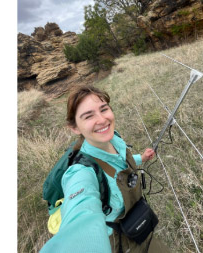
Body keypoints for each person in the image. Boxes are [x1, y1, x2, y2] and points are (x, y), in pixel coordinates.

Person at [42, 86, 168, 252]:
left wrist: (141, 158)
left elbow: (120, 161)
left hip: (142, 228)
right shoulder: (81, 172)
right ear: (75, 128)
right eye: (88, 116)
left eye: (104, 109)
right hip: (120, 244)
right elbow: (80, 217)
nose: (102, 119)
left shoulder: (114, 139)